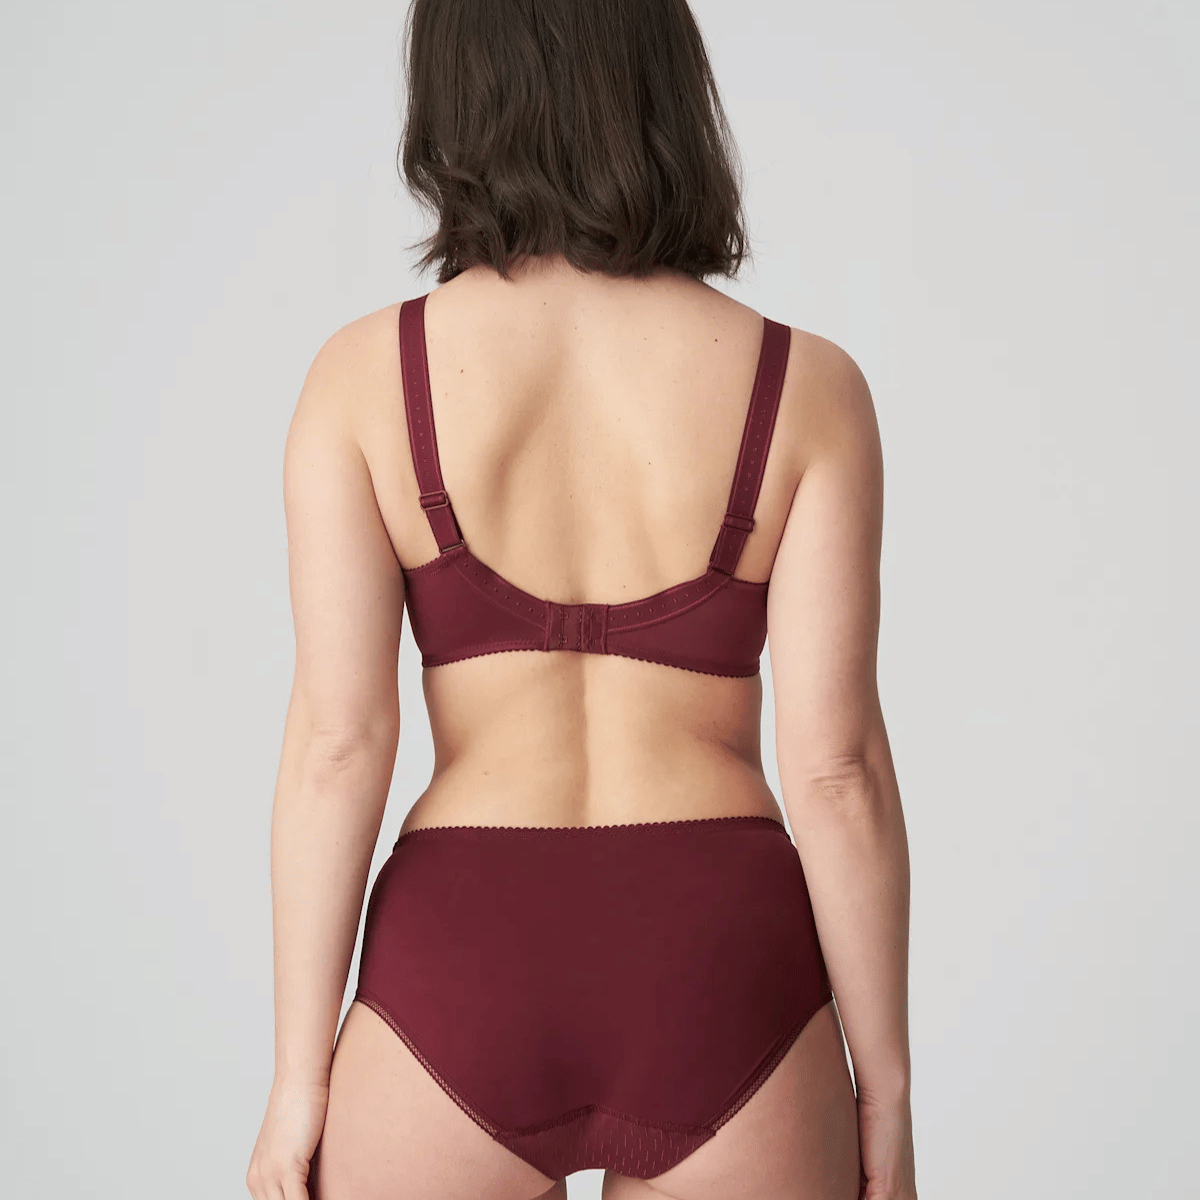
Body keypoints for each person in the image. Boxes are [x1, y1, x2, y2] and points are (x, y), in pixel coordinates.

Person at [246, 1, 916, 1198]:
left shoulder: (360, 380)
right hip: (723, 963)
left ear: (453, 98)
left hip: (461, 963)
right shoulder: (808, 386)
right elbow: (838, 773)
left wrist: (299, 1077)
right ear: (667, 89)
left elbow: (340, 746)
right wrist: (889, 1093)